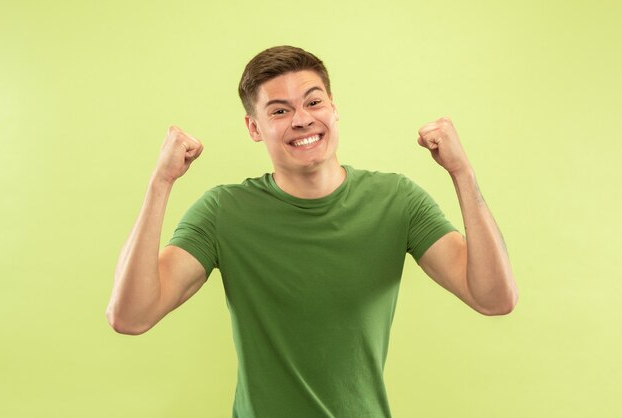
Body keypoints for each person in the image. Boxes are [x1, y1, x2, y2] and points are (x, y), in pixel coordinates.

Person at [106, 45, 518, 417]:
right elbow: (130, 315)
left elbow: (494, 298)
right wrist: (160, 183)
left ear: (334, 109)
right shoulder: (223, 212)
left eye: (313, 102)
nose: (302, 120)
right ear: (254, 128)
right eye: (280, 111)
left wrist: (462, 173)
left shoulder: (397, 200)